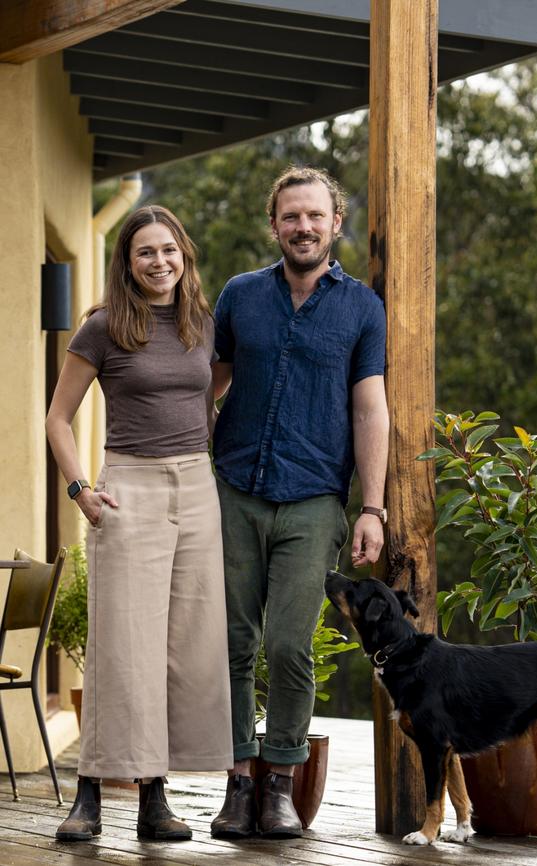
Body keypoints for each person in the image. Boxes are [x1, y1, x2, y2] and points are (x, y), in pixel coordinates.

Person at [210, 166, 389, 839]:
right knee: (231, 642)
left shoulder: (360, 309)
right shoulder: (240, 296)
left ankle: (280, 781)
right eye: (291, 216)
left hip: (314, 499)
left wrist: (371, 508)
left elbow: (370, 409)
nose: (304, 227)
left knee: (288, 646)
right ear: (275, 224)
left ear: (335, 223)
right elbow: (208, 382)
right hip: (233, 491)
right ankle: (235, 782)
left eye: (315, 216)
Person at [46, 205, 233, 842]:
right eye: (145, 252)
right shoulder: (102, 327)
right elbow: (56, 418)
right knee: (121, 648)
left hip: (196, 490)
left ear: (186, 256)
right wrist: (80, 491)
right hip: (128, 488)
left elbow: (211, 388)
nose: (160, 263)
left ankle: (156, 799)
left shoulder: (202, 324)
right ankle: (89, 796)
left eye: (169, 251)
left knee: (184, 647)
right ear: (127, 263)